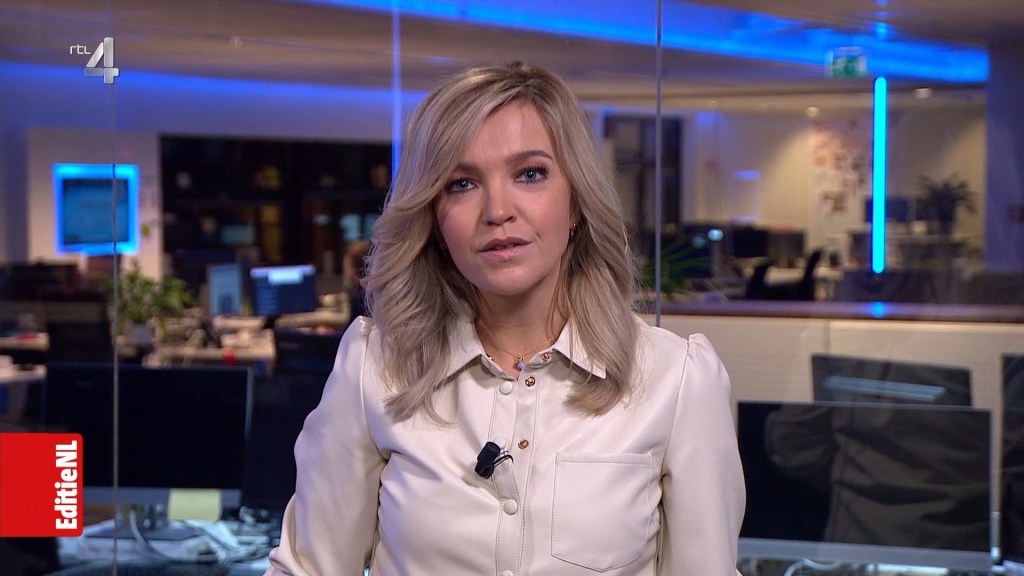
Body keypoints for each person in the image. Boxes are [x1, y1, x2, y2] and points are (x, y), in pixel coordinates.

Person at [266, 61, 745, 576]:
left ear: (576, 202)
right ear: (433, 218)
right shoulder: (374, 367)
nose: (497, 210)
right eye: (461, 184)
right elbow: (308, 568)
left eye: (530, 174)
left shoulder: (676, 379)